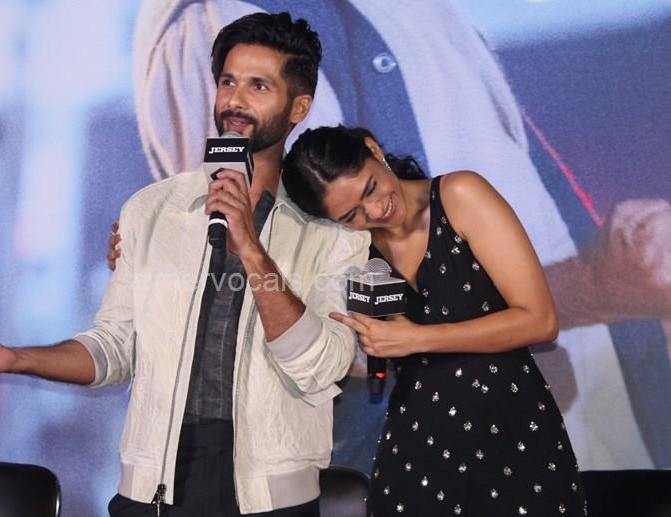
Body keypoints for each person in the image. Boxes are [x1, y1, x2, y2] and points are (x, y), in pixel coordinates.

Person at [124, 0, 670, 470]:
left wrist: (629, 289)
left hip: (574, 437)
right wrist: (591, 288)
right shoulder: (212, 34)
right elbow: (299, 321)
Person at [0, 12, 370, 516]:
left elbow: (323, 365)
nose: (235, 100)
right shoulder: (151, 210)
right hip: (156, 486)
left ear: (298, 107)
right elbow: (115, 347)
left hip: (268, 496)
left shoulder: (330, 228)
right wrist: (16, 358)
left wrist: (250, 246)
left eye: (258, 86)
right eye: (227, 82)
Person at [281, 124, 586, 516]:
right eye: (350, 214)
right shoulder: (354, 248)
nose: (374, 211)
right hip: (417, 439)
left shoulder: (460, 195)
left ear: (374, 150)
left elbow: (540, 320)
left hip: (511, 426)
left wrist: (417, 338)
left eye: (370, 188)